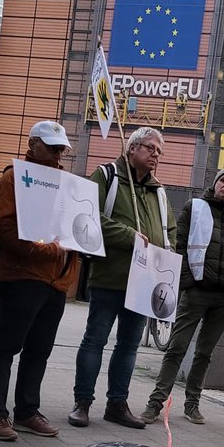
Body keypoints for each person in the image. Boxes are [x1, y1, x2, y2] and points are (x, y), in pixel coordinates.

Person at [68, 127, 177, 430]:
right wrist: (128, 235)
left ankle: (117, 403)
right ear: (132, 148)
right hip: (109, 276)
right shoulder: (106, 176)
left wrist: (166, 258)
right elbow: (87, 216)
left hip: (145, 284)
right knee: (95, 339)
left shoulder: (159, 192)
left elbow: (170, 234)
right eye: (151, 148)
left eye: (159, 151)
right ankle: (83, 402)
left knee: (129, 346)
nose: (156, 155)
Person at [0, 121, 79, 441]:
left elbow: (77, 225)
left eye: (60, 148)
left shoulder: (67, 185)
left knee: (39, 349)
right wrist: (48, 250)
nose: (56, 153)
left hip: (56, 280)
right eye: (51, 146)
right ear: (32, 143)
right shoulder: (14, 178)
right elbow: (4, 228)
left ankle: (27, 411)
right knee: (7, 345)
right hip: (24, 275)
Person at [141, 167, 224, 425]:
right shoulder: (195, 207)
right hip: (197, 291)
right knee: (177, 347)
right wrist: (187, 282)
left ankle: (192, 404)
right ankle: (155, 404)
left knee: (205, 353)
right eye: (222, 181)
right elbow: (178, 244)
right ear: (215, 184)